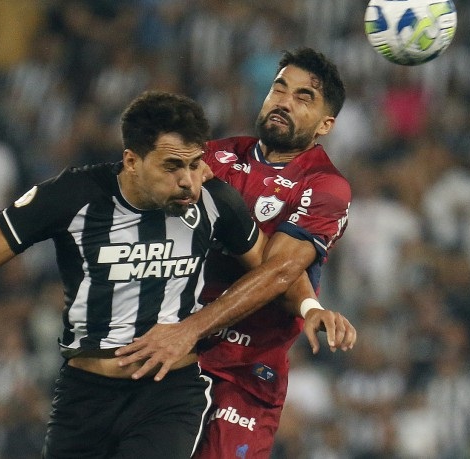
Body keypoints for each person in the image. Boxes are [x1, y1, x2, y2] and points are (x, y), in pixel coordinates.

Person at [0, 91, 323, 459]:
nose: (189, 180)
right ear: (131, 160)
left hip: (169, 394)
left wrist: (310, 305)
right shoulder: (70, 197)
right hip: (84, 395)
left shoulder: (216, 202)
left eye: (196, 164)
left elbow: (273, 269)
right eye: (173, 166)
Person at [115, 48, 357, 458]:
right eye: (279, 88)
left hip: (244, 371)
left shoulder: (325, 186)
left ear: (325, 124)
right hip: (166, 350)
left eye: (303, 97)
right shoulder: (213, 156)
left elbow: (279, 272)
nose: (284, 100)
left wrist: (191, 329)